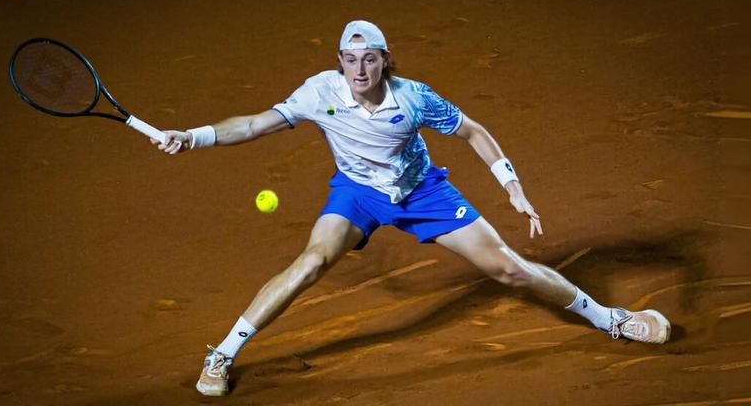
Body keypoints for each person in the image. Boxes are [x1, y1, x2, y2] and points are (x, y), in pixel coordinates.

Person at [152, 20, 671, 397]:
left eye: (369, 58)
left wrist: (510, 184)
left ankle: (610, 319)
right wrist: (191, 137)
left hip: (424, 194)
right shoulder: (320, 92)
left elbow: (473, 132)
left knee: (510, 269)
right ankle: (222, 353)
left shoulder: (415, 98)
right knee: (311, 263)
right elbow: (254, 124)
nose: (358, 68)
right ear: (339, 61)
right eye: (349, 59)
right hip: (356, 194)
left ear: (384, 60)